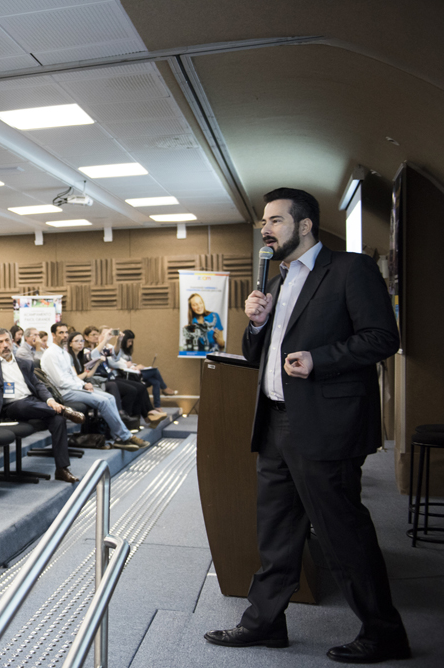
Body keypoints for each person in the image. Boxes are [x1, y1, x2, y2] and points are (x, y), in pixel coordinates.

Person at [205, 188, 408, 663]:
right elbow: (258, 357)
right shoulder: (274, 284)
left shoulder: (349, 269)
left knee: (341, 533)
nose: (266, 229)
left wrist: (320, 359)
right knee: (276, 532)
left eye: (275, 220)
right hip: (275, 422)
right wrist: (255, 325)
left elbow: (382, 338)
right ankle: (265, 623)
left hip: (326, 424)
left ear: (305, 225)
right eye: (263, 222)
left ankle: (384, 632)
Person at [0, 328, 81, 483]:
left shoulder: (24, 363)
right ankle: (65, 411)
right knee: (21, 405)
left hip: (33, 403)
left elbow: (38, 385)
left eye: (7, 340)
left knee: (58, 421)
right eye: (0, 342)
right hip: (9, 408)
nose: (5, 345)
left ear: (12, 342)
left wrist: (50, 401)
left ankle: (62, 469)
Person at [41, 325, 152, 451]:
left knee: (110, 397)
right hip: (63, 392)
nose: (65, 335)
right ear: (53, 335)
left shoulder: (64, 354)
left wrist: (83, 384)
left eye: (66, 332)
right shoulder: (50, 354)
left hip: (74, 387)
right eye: (61, 333)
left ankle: (120, 437)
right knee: (103, 401)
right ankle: (124, 436)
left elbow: (73, 376)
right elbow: (60, 381)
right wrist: (81, 385)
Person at [116, 330, 177, 408]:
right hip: (129, 375)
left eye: (132, 342)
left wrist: (136, 366)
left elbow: (130, 363)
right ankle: (165, 388)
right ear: (124, 341)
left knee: (156, 382)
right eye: (129, 341)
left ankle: (157, 407)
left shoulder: (127, 352)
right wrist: (135, 367)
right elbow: (121, 364)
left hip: (135, 372)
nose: (130, 344)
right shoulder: (118, 351)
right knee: (155, 371)